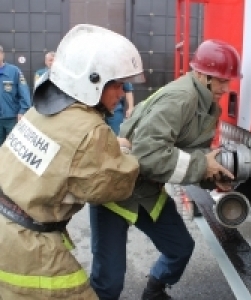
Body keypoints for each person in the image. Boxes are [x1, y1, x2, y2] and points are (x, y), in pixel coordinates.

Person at [0, 24, 145, 300]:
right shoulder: (91, 131)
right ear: (92, 81)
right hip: (27, 247)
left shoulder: (41, 110)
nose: (121, 91)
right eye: (115, 83)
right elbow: (113, 186)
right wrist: (127, 155)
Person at [89, 39, 241, 300]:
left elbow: (194, 153)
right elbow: (147, 154)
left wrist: (213, 176)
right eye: (221, 81)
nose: (226, 88)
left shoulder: (207, 106)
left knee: (180, 248)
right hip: (116, 189)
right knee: (109, 282)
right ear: (203, 75)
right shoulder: (181, 99)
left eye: (229, 81)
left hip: (147, 190)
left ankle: (154, 292)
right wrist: (202, 166)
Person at [0, 45, 31, 145]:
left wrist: (22, 111)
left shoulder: (14, 71)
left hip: (12, 118)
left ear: (2, 54)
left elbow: (24, 92)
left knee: (13, 147)